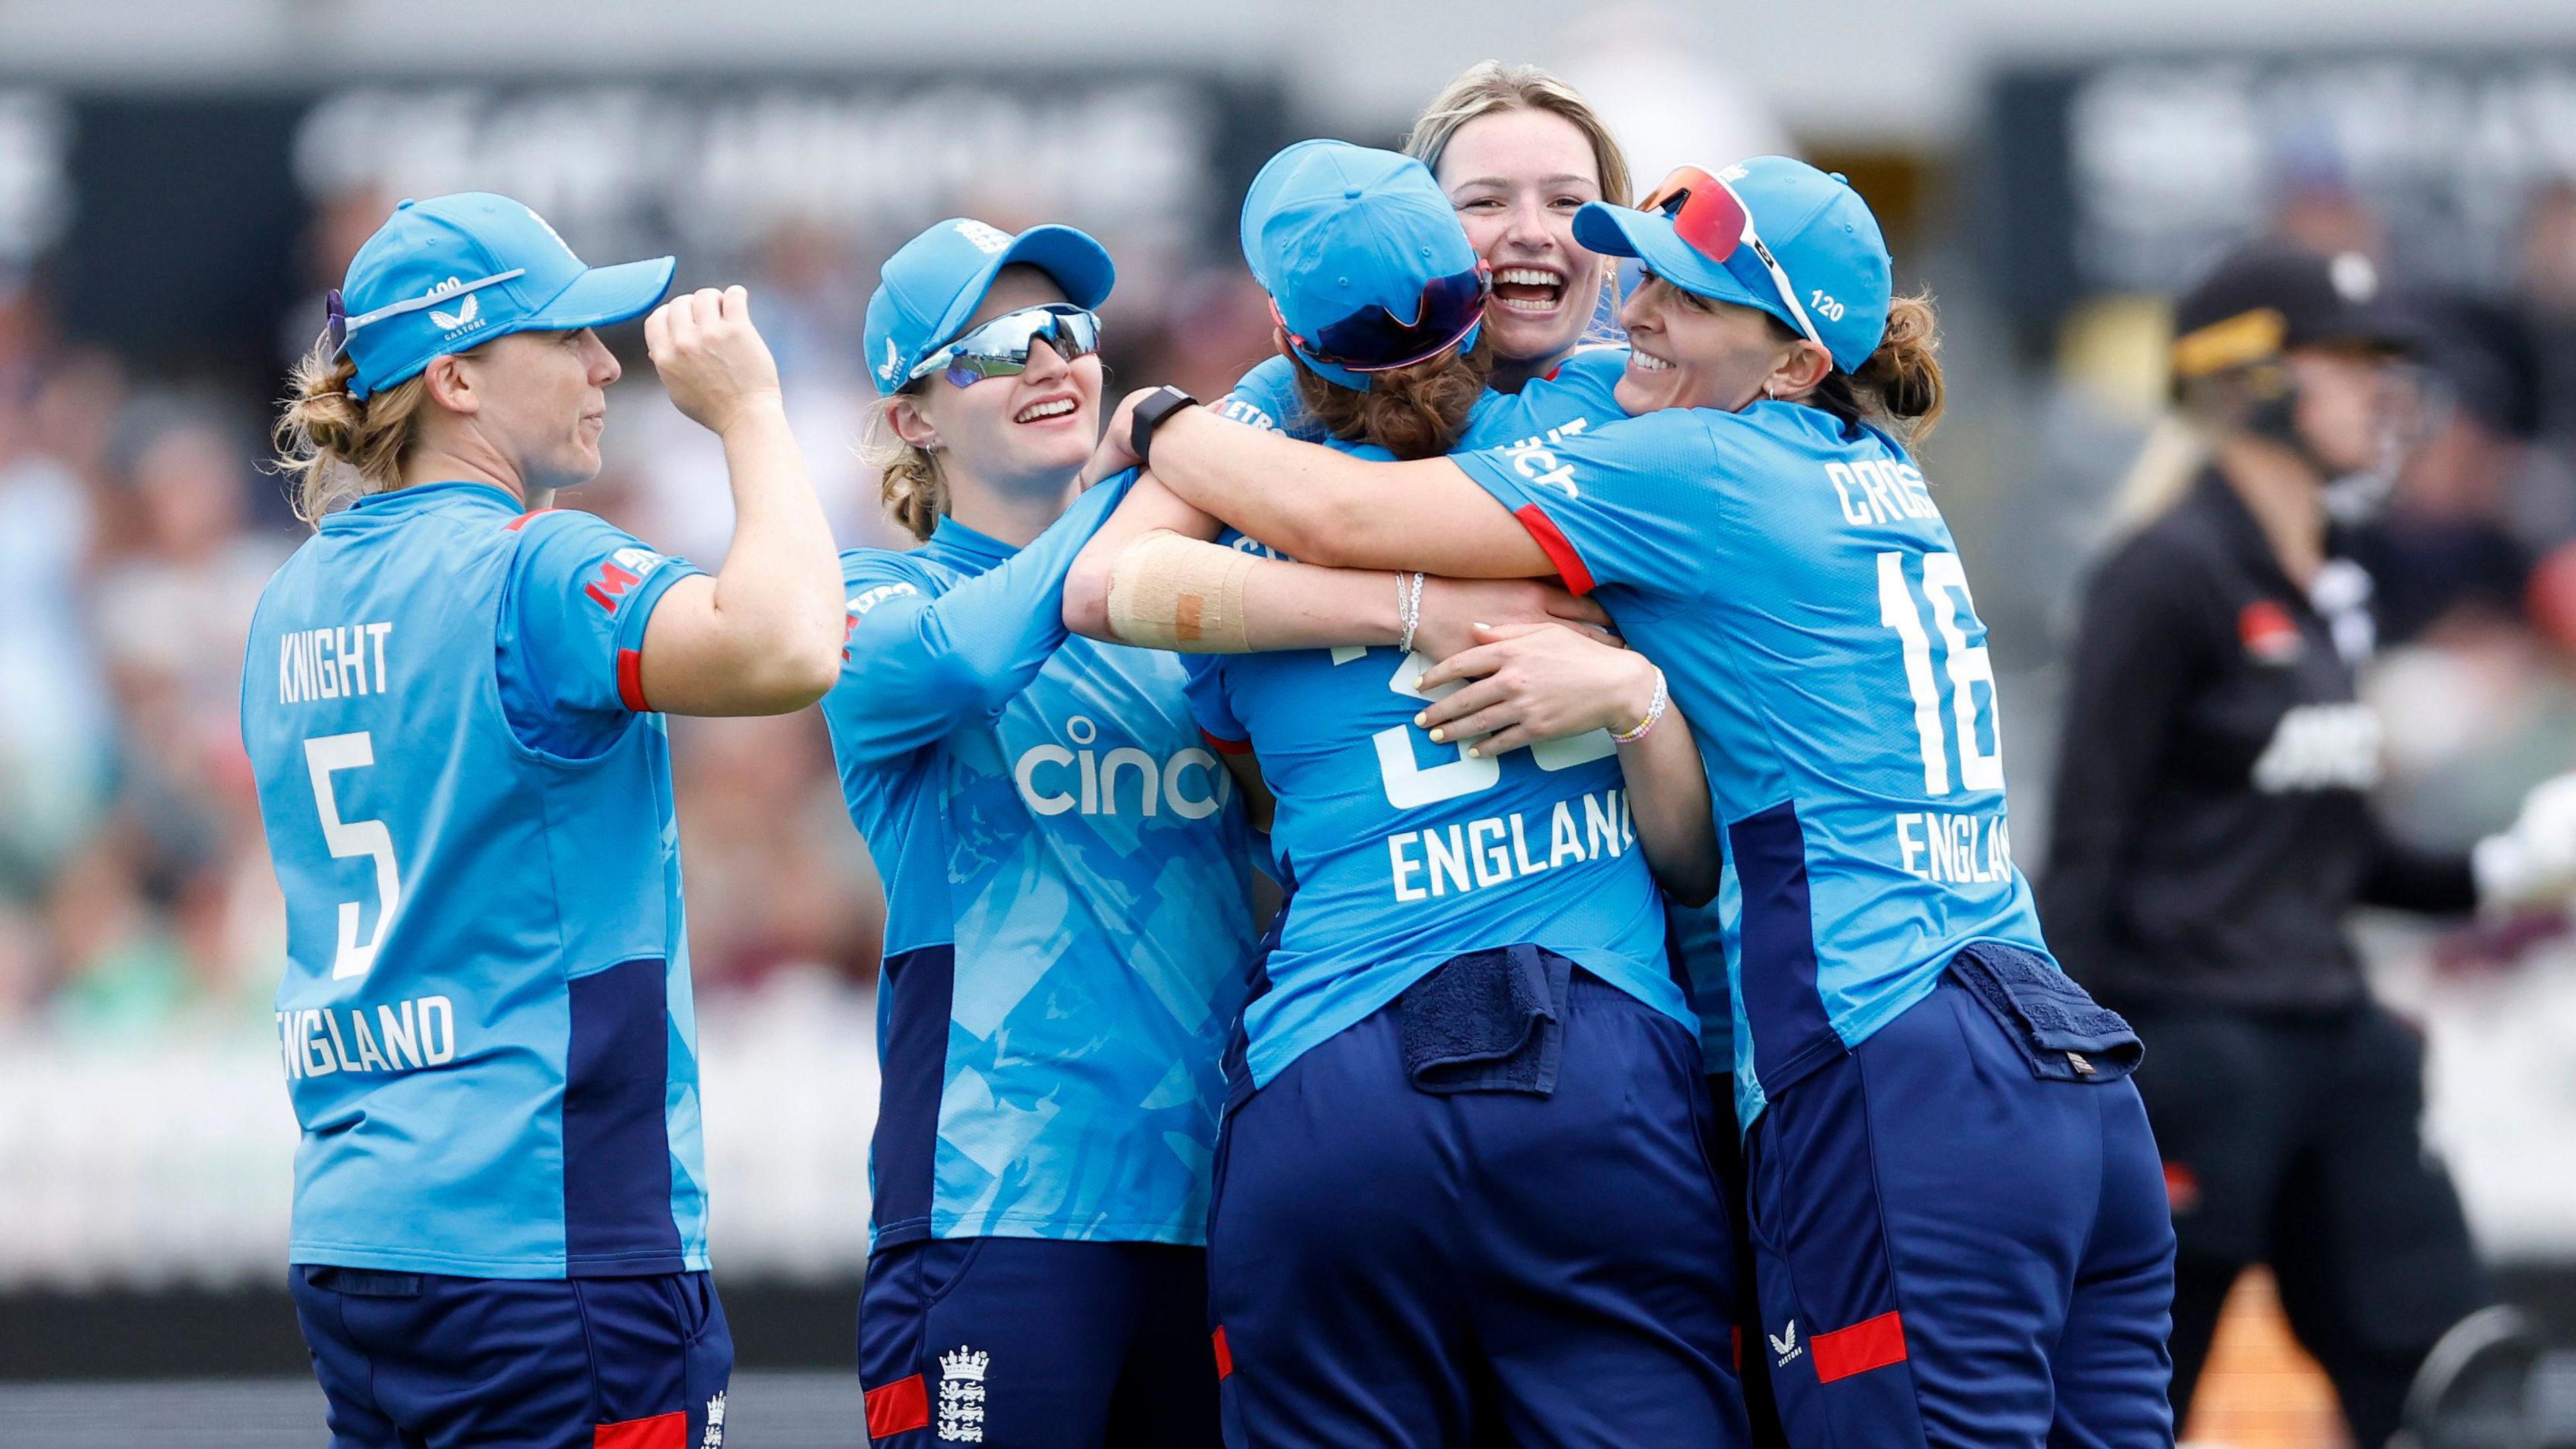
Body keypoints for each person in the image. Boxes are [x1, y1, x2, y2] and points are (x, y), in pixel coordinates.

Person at [1089, 156, 2179, 1448]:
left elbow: (1325, 510)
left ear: (1788, 363)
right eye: (1650, 274)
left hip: (1895, 1061)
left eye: (1696, 300)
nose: (1642, 312)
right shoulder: (1863, 457)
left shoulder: (1697, 467)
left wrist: (1171, 419)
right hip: (2062, 1062)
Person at [826, 216, 1607, 1449]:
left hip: (1219, 1202)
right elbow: (974, 654)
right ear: (913, 415)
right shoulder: (877, 600)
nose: (1052, 364)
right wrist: (1172, 464)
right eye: (995, 348)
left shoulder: (1193, 606)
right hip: (1000, 1204)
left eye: (1071, 333)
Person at [1065, 139, 1749, 1449]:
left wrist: (1180, 428)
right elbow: (1692, 859)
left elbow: (1111, 592)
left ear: (1282, 327)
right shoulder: (1598, 425)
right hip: (1592, 1055)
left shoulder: (1240, 469)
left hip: (1334, 1071)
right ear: (1470, 286)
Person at [242, 192, 843, 1449]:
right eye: (565, 335)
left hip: (360, 1233)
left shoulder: (290, 600)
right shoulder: (535, 565)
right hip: (550, 1237)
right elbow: (788, 646)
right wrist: (751, 413)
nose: (605, 363)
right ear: (456, 376)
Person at [2041, 241, 2576, 1446]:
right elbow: (2086, 851)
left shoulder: (2336, 578)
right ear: (2249, 381)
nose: (2386, 393)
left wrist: (2511, 866)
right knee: (2129, 1401)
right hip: (2192, 1050)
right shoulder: (2161, 576)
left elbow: (2340, 848)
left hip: (2333, 1038)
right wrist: (2065, 1087)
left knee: (2455, 1389)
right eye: (2352, 362)